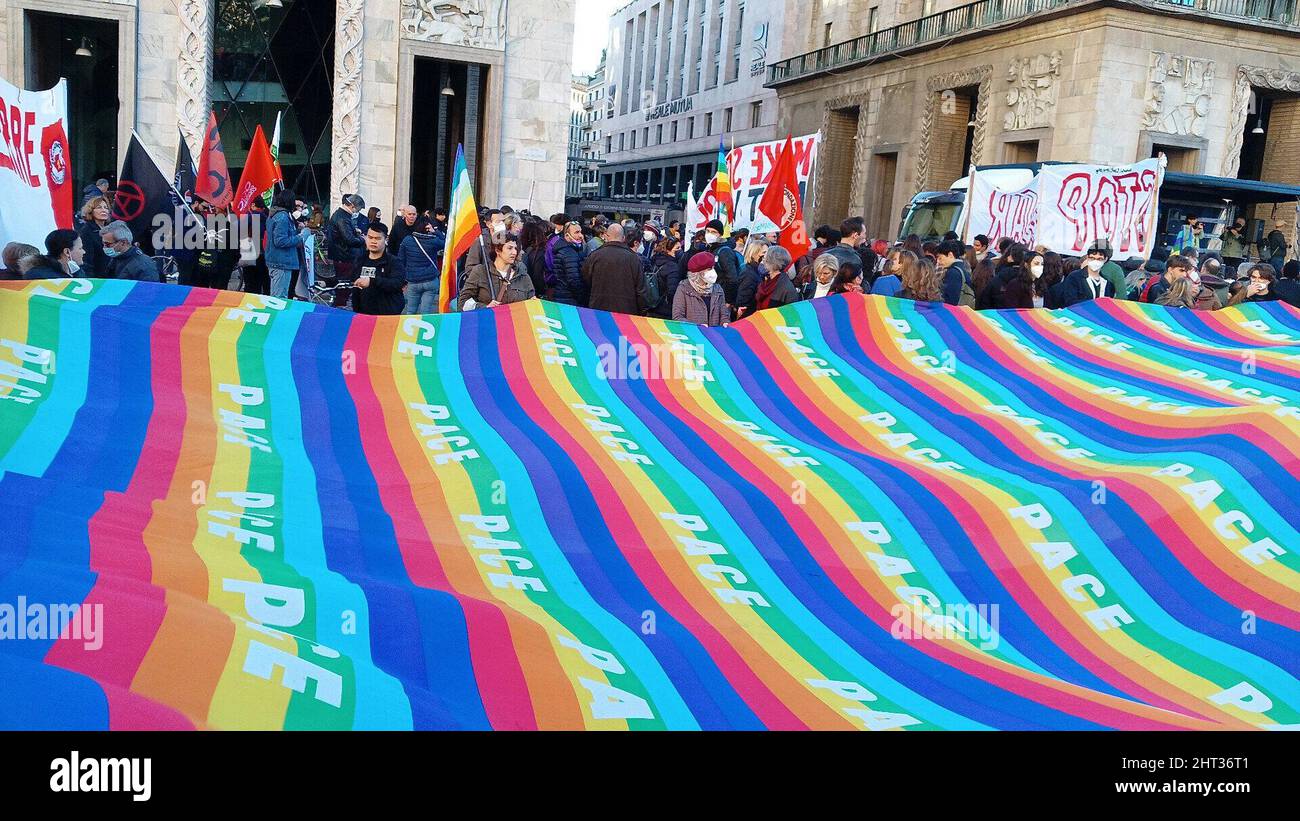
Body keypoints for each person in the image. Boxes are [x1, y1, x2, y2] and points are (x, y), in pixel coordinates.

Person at [458, 230, 535, 310]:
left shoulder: (522, 275)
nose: (514, 252)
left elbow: (531, 302)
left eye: (515, 248)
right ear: (497, 250)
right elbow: (463, 302)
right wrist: (485, 307)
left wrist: (533, 304)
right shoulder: (480, 272)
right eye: (509, 248)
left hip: (516, 321)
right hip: (489, 321)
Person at [581, 222, 646, 314]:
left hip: (598, 308)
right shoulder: (634, 259)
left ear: (606, 236)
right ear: (623, 238)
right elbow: (641, 290)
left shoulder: (594, 256)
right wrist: (642, 311)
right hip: (627, 310)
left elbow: (585, 281)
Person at [351, 223, 405, 315]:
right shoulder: (360, 260)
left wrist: (372, 282)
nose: (373, 241)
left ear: (385, 239)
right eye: (370, 237)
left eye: (378, 238)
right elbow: (353, 283)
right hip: (363, 314)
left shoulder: (394, 262)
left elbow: (397, 283)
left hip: (387, 314)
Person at [396, 218, 445, 314]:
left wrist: (403, 279)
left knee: (410, 311)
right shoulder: (433, 240)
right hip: (430, 280)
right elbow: (445, 242)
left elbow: (401, 260)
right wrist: (435, 231)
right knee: (425, 312)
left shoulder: (407, 240)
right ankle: (424, 328)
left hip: (413, 280)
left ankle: (410, 329)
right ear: (427, 228)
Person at [264, 189, 303, 299]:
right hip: (281, 261)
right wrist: (300, 237)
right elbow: (280, 241)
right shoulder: (282, 217)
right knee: (279, 298)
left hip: (277, 260)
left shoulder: (276, 214)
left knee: (277, 295)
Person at [672, 251, 727, 325]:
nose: (713, 271)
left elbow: (724, 314)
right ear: (698, 273)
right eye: (709, 269)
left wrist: (725, 322)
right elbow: (677, 317)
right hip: (693, 334)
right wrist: (697, 327)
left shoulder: (718, 289)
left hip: (714, 334)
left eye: (713, 268)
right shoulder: (684, 288)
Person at [703, 218, 741, 312]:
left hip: (721, 298)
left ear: (720, 234)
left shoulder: (724, 252)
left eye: (713, 232)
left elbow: (733, 279)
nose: (709, 234)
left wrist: (728, 301)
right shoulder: (711, 249)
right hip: (712, 295)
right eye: (707, 231)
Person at [328, 193, 367, 282]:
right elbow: (349, 240)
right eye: (359, 209)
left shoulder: (341, 215)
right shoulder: (343, 217)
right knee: (344, 284)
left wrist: (354, 230)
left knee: (344, 282)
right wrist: (363, 239)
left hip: (341, 255)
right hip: (344, 256)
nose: (358, 212)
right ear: (353, 206)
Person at [750, 246, 799, 314]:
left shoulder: (786, 287)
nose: (762, 261)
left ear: (772, 262)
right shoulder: (768, 280)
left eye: (765, 258)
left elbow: (791, 314)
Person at [551, 220, 588, 306]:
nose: (581, 236)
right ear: (567, 236)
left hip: (564, 296)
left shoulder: (571, 250)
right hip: (568, 298)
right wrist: (583, 298)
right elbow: (574, 279)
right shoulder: (569, 253)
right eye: (577, 232)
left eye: (581, 232)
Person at [77, 196, 113, 278]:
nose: (104, 210)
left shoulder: (111, 229)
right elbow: (86, 261)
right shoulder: (86, 232)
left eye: (106, 208)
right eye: (99, 207)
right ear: (91, 211)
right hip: (97, 278)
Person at [734, 237, 769, 319]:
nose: (767, 255)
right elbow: (743, 300)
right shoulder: (748, 273)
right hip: (748, 316)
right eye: (764, 252)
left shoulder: (760, 271)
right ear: (754, 253)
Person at [649, 235, 680, 318]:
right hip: (664, 309)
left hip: (651, 304)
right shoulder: (673, 267)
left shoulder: (654, 260)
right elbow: (672, 292)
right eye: (677, 248)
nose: (680, 251)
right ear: (668, 250)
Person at [934, 239, 973, 306]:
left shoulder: (953, 273)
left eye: (940, 258)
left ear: (950, 255)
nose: (938, 262)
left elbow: (950, 301)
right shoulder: (962, 267)